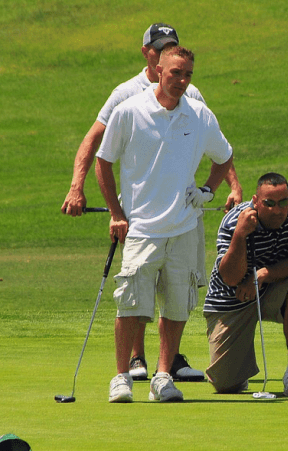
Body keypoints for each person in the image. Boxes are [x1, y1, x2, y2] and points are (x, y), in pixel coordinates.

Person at [62, 23, 243, 383]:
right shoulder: (126, 99)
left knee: (177, 298)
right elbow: (99, 146)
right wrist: (78, 188)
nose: (181, 78)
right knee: (134, 298)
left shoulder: (195, 102)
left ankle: (166, 367)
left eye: (186, 72)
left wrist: (220, 187)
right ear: (151, 57)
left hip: (183, 219)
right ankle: (132, 363)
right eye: (166, 57)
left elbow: (218, 146)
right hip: (142, 219)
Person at [95, 45, 235, 402]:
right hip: (142, 228)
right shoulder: (129, 111)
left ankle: (161, 376)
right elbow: (104, 162)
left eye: (188, 74)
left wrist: (207, 190)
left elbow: (224, 156)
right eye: (176, 73)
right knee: (131, 307)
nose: (182, 81)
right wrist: (116, 213)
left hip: (184, 228)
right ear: (158, 69)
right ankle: (121, 376)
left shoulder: (200, 115)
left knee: (176, 308)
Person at [202, 173, 288, 397]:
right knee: (226, 385)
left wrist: (262, 275)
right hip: (232, 298)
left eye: (283, 202)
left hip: (271, 287)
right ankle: (236, 372)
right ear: (256, 201)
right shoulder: (235, 220)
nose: (277, 210)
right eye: (269, 203)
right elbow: (231, 278)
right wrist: (240, 235)